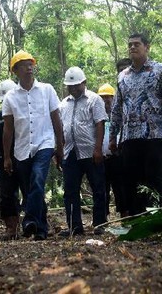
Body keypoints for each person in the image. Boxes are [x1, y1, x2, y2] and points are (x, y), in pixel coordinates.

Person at [109, 33, 162, 215]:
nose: (133, 47)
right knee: (131, 180)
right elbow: (117, 106)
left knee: (154, 178)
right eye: (130, 45)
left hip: (154, 135)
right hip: (129, 137)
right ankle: (135, 219)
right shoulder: (122, 76)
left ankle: (157, 218)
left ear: (147, 47)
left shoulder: (160, 70)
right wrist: (112, 136)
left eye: (137, 44)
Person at [1, 50, 65, 241]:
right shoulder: (10, 97)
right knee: (31, 190)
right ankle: (41, 230)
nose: (29, 67)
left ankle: (28, 219)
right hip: (21, 149)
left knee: (37, 179)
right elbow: (8, 130)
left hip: (44, 143)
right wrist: (6, 156)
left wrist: (60, 146)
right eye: (23, 65)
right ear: (15, 71)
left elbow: (56, 119)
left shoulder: (47, 90)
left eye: (31, 64)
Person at [60, 67, 108, 236]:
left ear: (84, 83)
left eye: (76, 85)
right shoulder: (63, 103)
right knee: (70, 190)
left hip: (90, 150)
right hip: (70, 151)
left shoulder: (94, 100)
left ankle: (100, 223)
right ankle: (74, 226)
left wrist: (98, 149)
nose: (73, 88)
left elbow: (100, 124)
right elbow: (60, 128)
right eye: (70, 86)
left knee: (98, 187)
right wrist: (59, 151)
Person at [0, 79, 23, 239]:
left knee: (31, 190)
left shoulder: (25, 112)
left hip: (25, 157)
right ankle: (11, 228)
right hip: (5, 160)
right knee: (7, 194)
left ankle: (36, 223)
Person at [98, 82, 127, 218]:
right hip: (101, 157)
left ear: (113, 98)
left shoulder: (120, 114)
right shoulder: (97, 116)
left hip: (116, 156)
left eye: (108, 97)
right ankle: (103, 216)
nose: (105, 100)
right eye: (102, 98)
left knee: (120, 187)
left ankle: (124, 214)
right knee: (102, 188)